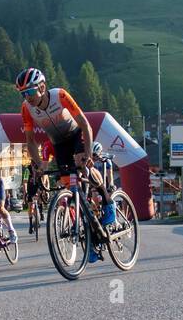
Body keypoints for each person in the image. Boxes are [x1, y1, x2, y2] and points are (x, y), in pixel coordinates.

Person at [17, 67, 113, 260]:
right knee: (70, 187)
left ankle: (108, 202)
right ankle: (91, 238)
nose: (27, 97)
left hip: (77, 134)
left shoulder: (59, 95)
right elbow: (30, 141)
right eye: (22, 93)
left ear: (42, 87)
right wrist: (37, 165)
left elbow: (85, 124)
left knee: (82, 165)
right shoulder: (26, 109)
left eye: (29, 91)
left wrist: (87, 155)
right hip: (58, 144)